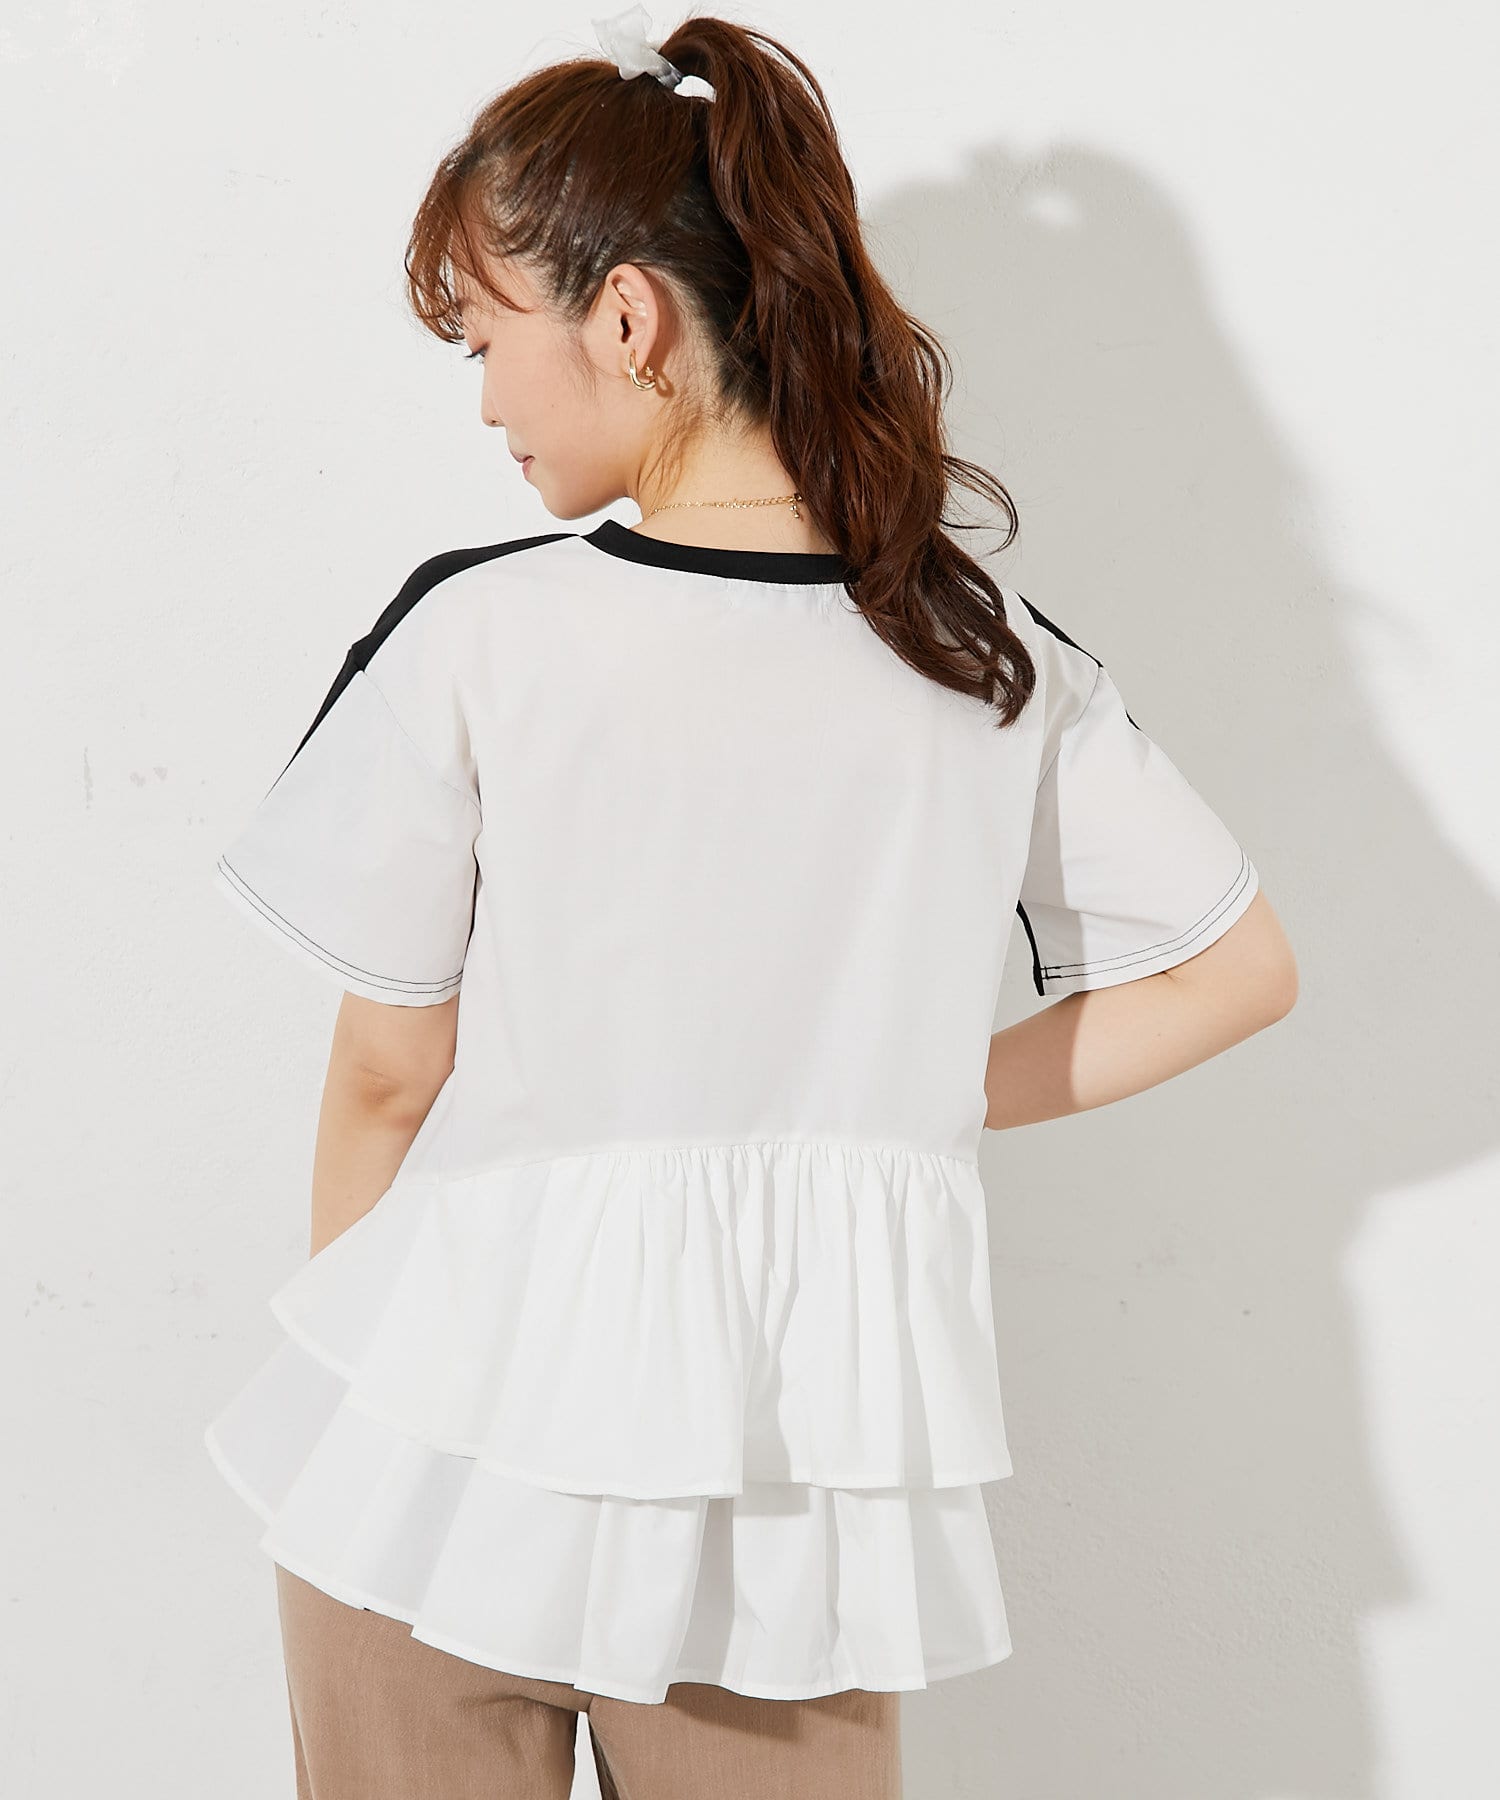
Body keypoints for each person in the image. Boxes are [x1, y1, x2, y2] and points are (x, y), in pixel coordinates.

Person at [202, 9, 1299, 1798]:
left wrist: (372, 1390)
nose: (484, 402)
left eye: (486, 341)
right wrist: (906, 1091)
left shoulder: (481, 629)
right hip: (788, 1505)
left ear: (627, 319)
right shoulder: (973, 652)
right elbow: (1236, 971)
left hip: (431, 1467)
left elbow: (390, 1078)